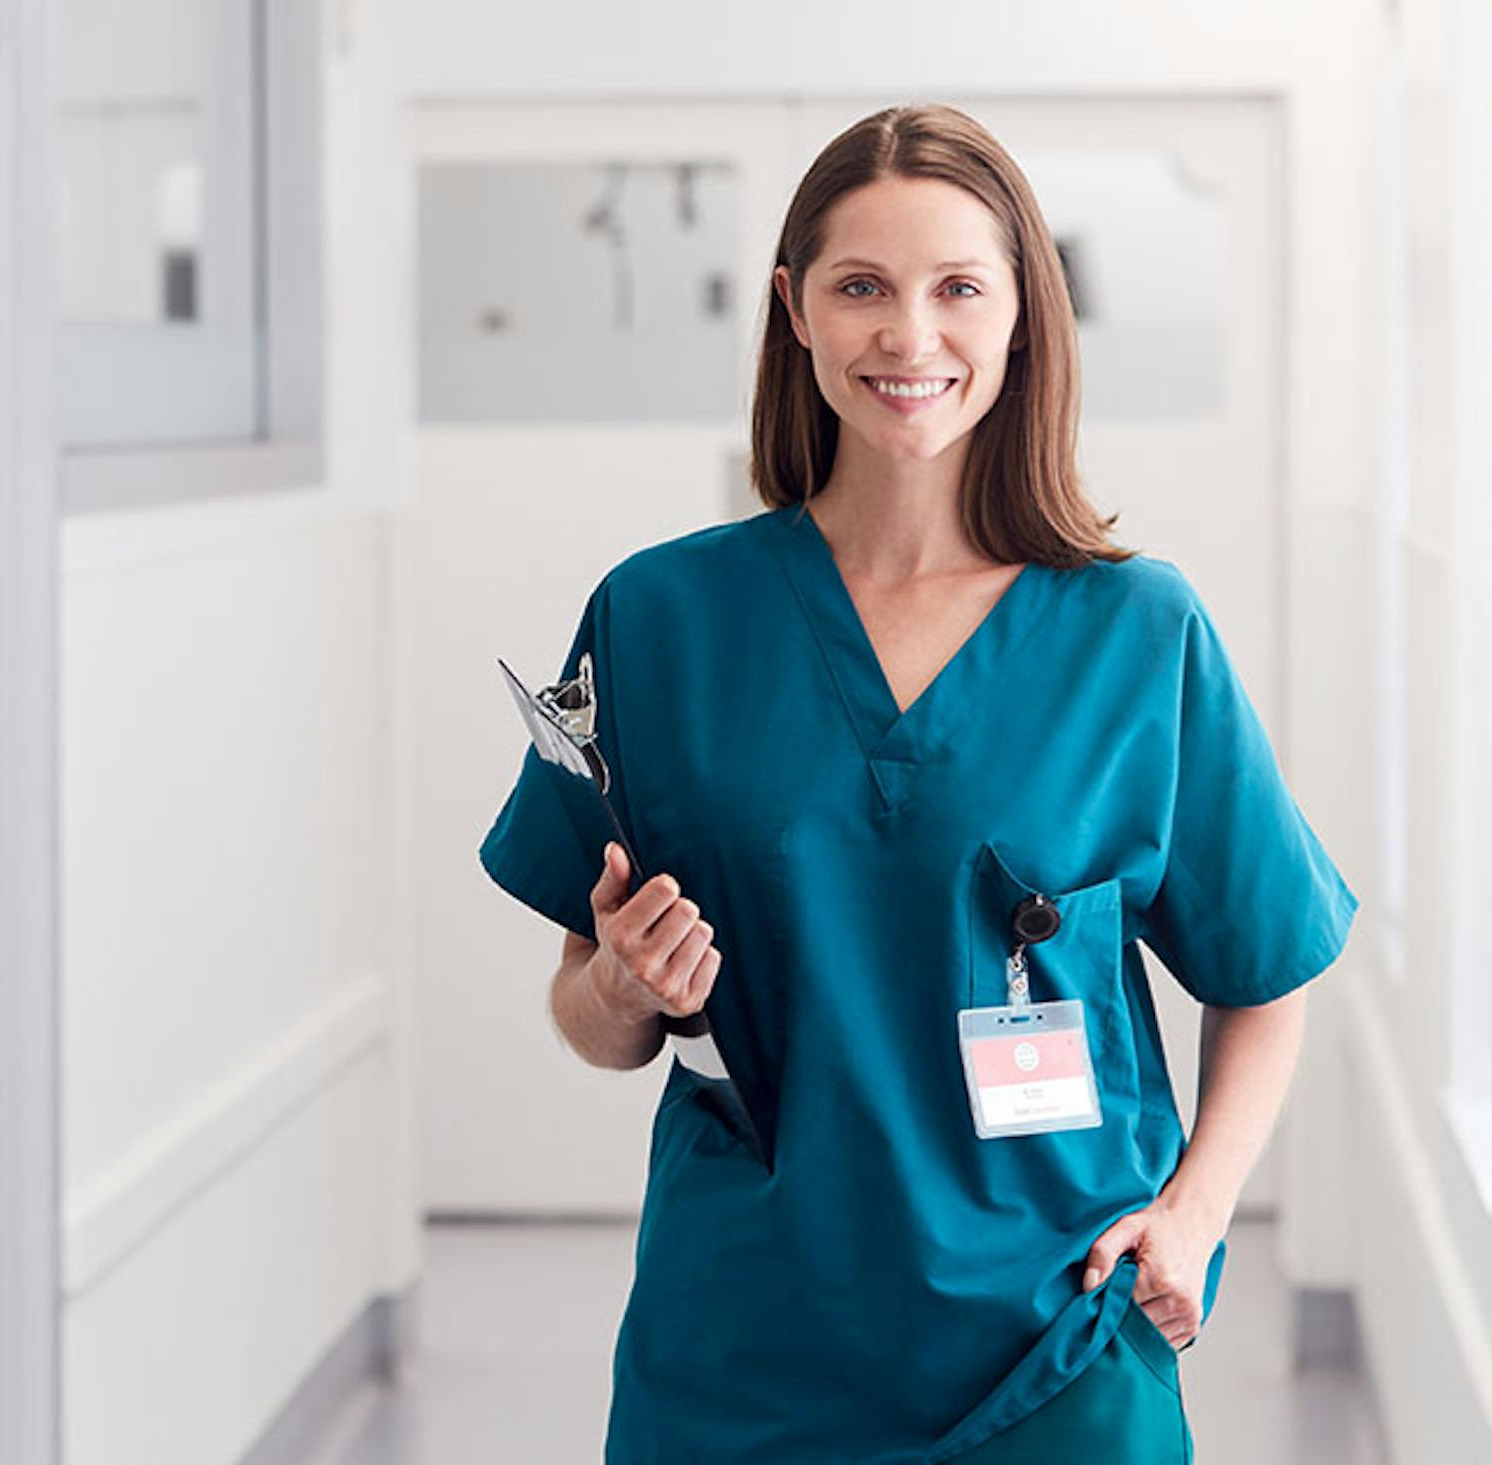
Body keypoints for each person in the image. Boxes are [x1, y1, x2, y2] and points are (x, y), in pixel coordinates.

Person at [477, 103, 1355, 1463]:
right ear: (796, 310)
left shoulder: (1136, 633)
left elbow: (1269, 972)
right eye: (862, 288)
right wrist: (623, 986)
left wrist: (1194, 1213)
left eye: (958, 287)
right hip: (748, 1356)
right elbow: (590, 1013)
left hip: (1056, 1344)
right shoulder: (660, 620)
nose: (910, 335)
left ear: (1021, 313)